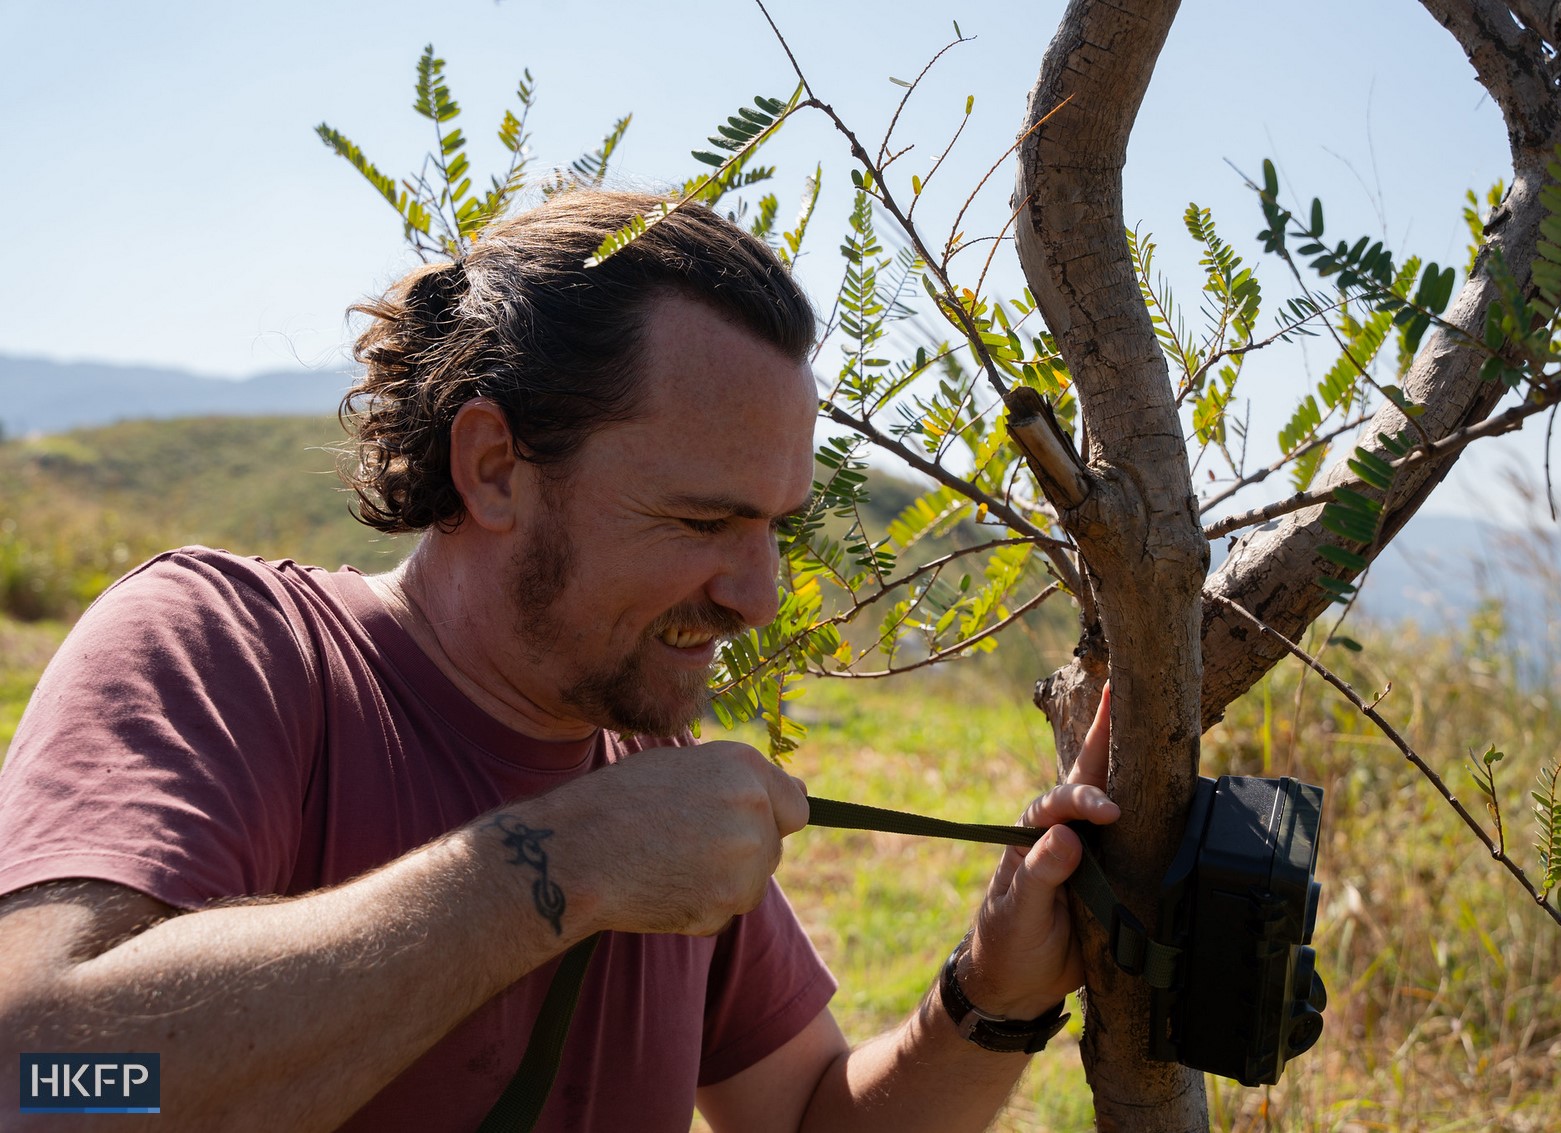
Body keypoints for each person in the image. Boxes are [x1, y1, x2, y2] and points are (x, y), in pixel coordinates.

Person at [0, 189, 1120, 1132]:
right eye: (700, 521)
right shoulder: (230, 649)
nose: (758, 595)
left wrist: (992, 994)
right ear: (494, 467)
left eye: (773, 527)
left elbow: (807, 1118)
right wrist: (561, 867)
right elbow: (36, 1083)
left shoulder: (651, 782)